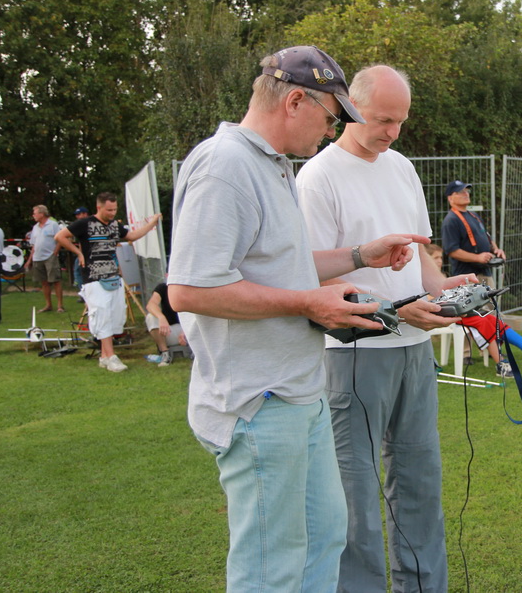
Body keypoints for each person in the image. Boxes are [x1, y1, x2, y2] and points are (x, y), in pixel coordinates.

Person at [166, 46, 429, 592]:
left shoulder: (272, 164)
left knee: (324, 539)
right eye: (331, 117)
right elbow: (190, 289)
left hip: (299, 393)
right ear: (294, 102)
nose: (332, 132)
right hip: (257, 401)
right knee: (272, 565)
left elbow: (284, 265)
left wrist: (360, 255)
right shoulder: (224, 165)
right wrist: (308, 303)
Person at [297, 65, 473, 593]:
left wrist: (445, 289)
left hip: (415, 349)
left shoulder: (402, 168)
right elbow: (313, 276)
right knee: (354, 495)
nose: (392, 132)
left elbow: (420, 259)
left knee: (420, 483)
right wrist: (396, 309)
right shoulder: (318, 177)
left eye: (400, 122)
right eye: (382, 120)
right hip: (353, 355)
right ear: (351, 107)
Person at [55, 193, 161, 372]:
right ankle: (111, 357)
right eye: (109, 210)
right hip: (94, 278)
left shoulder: (114, 225)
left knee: (114, 315)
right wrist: (79, 253)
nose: (112, 213)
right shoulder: (85, 224)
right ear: (99, 207)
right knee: (102, 314)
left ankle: (104, 357)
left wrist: (152, 224)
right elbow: (60, 236)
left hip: (113, 276)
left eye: (115, 209)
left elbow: (132, 236)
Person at [426, 243, 522, 376]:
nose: (439, 261)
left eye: (440, 257)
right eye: (435, 258)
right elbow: (431, 301)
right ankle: (501, 364)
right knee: (483, 322)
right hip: (448, 316)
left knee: (490, 318)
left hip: (461, 313)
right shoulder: (425, 280)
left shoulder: (443, 276)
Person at [441, 180, 506, 287]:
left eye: (467, 191)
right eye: (460, 192)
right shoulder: (451, 220)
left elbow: (486, 237)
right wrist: (477, 258)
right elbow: (452, 250)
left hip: (485, 273)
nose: (466, 194)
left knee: (492, 298)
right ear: (450, 198)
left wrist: (496, 250)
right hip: (467, 278)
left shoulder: (473, 215)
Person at [25, 205, 65, 313]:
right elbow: (34, 245)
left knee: (56, 281)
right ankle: (48, 305)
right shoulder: (35, 227)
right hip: (37, 258)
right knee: (44, 282)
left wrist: (55, 252)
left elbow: (60, 239)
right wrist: (29, 260)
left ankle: (60, 306)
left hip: (50, 257)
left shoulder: (53, 225)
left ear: (42, 214)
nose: (33, 215)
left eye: (35, 213)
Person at [144, 279, 187, 366]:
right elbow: (151, 304)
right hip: (170, 331)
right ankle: (165, 353)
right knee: (151, 317)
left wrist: (187, 330)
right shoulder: (163, 287)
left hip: (189, 329)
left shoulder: (190, 287)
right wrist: (161, 317)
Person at [70, 206, 90, 299]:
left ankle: (84, 293)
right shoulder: (82, 224)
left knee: (79, 272)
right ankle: (84, 292)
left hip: (86, 253)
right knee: (78, 271)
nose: (77, 216)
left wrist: (80, 253)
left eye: (79, 214)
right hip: (83, 252)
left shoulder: (85, 224)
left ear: (85, 214)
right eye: (76, 215)